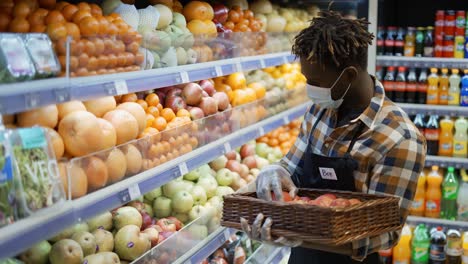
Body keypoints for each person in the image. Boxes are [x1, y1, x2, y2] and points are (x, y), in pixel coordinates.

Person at [240, 9, 427, 264]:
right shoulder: (320, 111)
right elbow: (291, 165)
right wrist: (275, 172)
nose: (309, 89)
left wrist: (302, 236)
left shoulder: (400, 138)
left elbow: (385, 233)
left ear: (348, 76)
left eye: (315, 80)